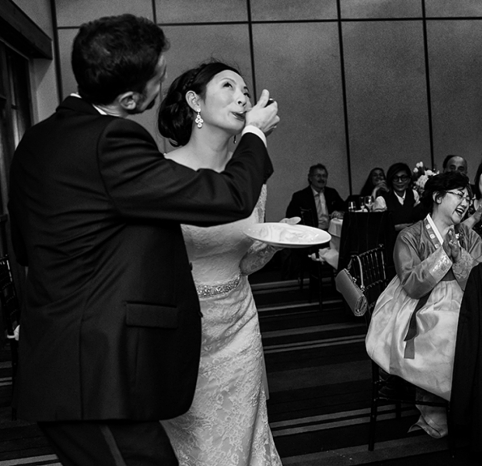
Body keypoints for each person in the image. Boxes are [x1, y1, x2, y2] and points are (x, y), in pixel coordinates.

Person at [7, 14, 279, 466]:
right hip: (95, 375)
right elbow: (229, 196)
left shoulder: (35, 141)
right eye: (161, 74)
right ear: (133, 97)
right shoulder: (111, 140)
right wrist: (254, 134)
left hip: (63, 363)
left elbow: (23, 246)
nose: (165, 81)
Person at [157, 61, 284, 465]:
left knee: (242, 432)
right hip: (182, 328)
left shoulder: (251, 179)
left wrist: (274, 245)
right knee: (194, 443)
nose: (243, 96)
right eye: (228, 86)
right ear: (195, 101)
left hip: (240, 323)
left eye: (246, 90)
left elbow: (244, 263)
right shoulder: (162, 172)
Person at [366, 171, 482, 438]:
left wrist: (460, 256)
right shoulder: (409, 236)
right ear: (438, 197)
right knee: (445, 330)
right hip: (417, 301)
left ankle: (475, 407)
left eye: (468, 197)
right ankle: (446, 407)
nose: (465, 202)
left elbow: (479, 281)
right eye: (459, 195)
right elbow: (411, 284)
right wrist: (445, 255)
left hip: (463, 297)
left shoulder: (470, 237)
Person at [286, 163, 345, 230]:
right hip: (310, 233)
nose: (321, 179)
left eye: (324, 176)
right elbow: (291, 218)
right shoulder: (300, 196)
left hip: (331, 232)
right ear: (310, 178)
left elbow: (344, 208)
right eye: (318, 176)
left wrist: (340, 213)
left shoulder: (331, 193)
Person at [376, 162, 420, 231]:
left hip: (413, 238)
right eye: (395, 178)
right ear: (390, 180)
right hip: (392, 239)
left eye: (403, 177)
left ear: (409, 180)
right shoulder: (382, 200)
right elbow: (379, 228)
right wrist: (400, 227)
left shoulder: (414, 194)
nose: (400, 181)